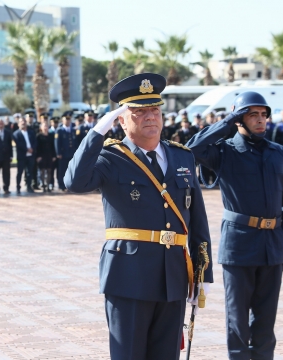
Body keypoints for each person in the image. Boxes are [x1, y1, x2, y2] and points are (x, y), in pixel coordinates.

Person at [65, 73, 213, 359]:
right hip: (128, 276)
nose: (150, 117)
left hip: (173, 276)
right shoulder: (110, 157)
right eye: (139, 111)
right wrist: (97, 132)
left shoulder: (181, 156)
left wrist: (202, 273)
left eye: (155, 110)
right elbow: (74, 181)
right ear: (121, 119)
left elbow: (196, 218)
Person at [187, 91, 283, 360]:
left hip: (273, 246)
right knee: (237, 321)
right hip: (239, 246)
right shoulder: (225, 151)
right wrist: (228, 122)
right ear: (239, 118)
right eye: (253, 115)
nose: (261, 121)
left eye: (264, 115)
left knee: (265, 321)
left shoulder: (278, 154)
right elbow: (192, 148)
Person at [13, 117, 37, 194]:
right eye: (21, 122)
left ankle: (29, 186)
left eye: (24, 121)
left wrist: (32, 148)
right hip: (22, 156)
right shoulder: (16, 134)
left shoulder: (31, 132)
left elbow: (35, 141)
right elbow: (19, 144)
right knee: (20, 172)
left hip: (31, 155)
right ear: (18, 124)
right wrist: (27, 149)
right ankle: (18, 187)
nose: (23, 123)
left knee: (30, 172)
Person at [55, 115, 75, 192]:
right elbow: (57, 143)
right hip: (63, 154)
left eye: (69, 119)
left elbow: (75, 142)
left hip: (71, 154)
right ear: (62, 121)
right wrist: (58, 153)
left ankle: (70, 185)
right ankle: (62, 185)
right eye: (66, 119)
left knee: (71, 170)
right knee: (62, 170)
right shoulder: (59, 130)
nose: (68, 121)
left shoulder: (72, 130)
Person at [36, 121, 56, 192]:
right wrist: (38, 156)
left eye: (46, 126)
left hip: (49, 155)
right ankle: (43, 186)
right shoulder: (38, 136)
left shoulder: (51, 135)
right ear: (41, 127)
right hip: (42, 156)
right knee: (42, 171)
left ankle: (48, 186)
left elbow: (53, 146)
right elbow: (37, 147)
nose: (45, 128)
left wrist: (54, 156)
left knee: (49, 171)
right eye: (44, 126)